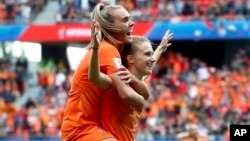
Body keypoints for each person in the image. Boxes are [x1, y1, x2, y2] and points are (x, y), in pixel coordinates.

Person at [61, 3, 150, 141]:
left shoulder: (110, 50)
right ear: (111, 27)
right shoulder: (108, 50)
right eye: (125, 20)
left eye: (130, 18)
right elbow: (125, 93)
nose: (132, 23)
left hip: (88, 125)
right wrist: (142, 100)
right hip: (80, 127)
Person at [89, 23, 173, 141]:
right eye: (147, 54)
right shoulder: (117, 82)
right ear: (130, 59)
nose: (152, 59)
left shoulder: (136, 82)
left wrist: (160, 48)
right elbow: (94, 77)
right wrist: (95, 48)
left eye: (151, 54)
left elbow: (150, 64)